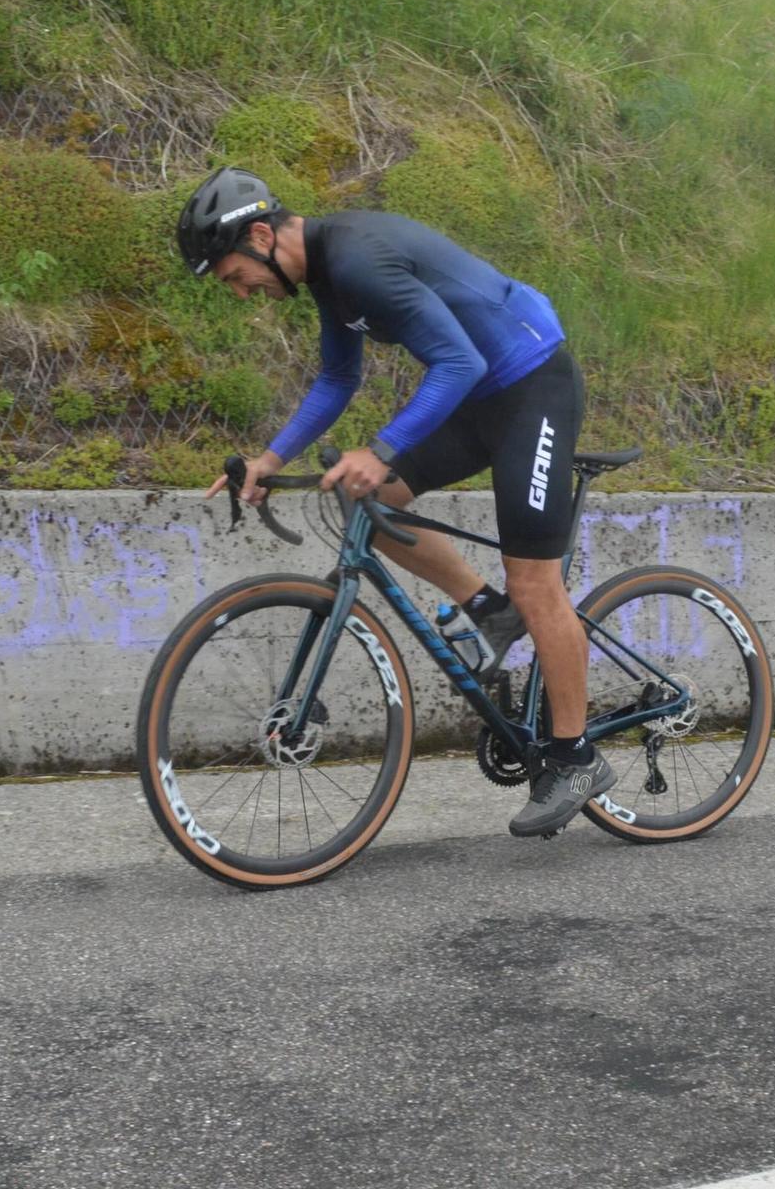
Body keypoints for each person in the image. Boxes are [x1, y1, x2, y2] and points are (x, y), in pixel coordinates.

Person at [176, 165, 613, 838]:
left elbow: (460, 361)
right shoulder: (328, 273)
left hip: (532, 388)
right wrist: (268, 460)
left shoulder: (356, 257)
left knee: (535, 582)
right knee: (371, 505)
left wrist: (380, 448)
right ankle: (486, 610)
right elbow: (337, 378)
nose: (243, 292)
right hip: (480, 399)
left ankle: (574, 754)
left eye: (236, 275)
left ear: (262, 235)